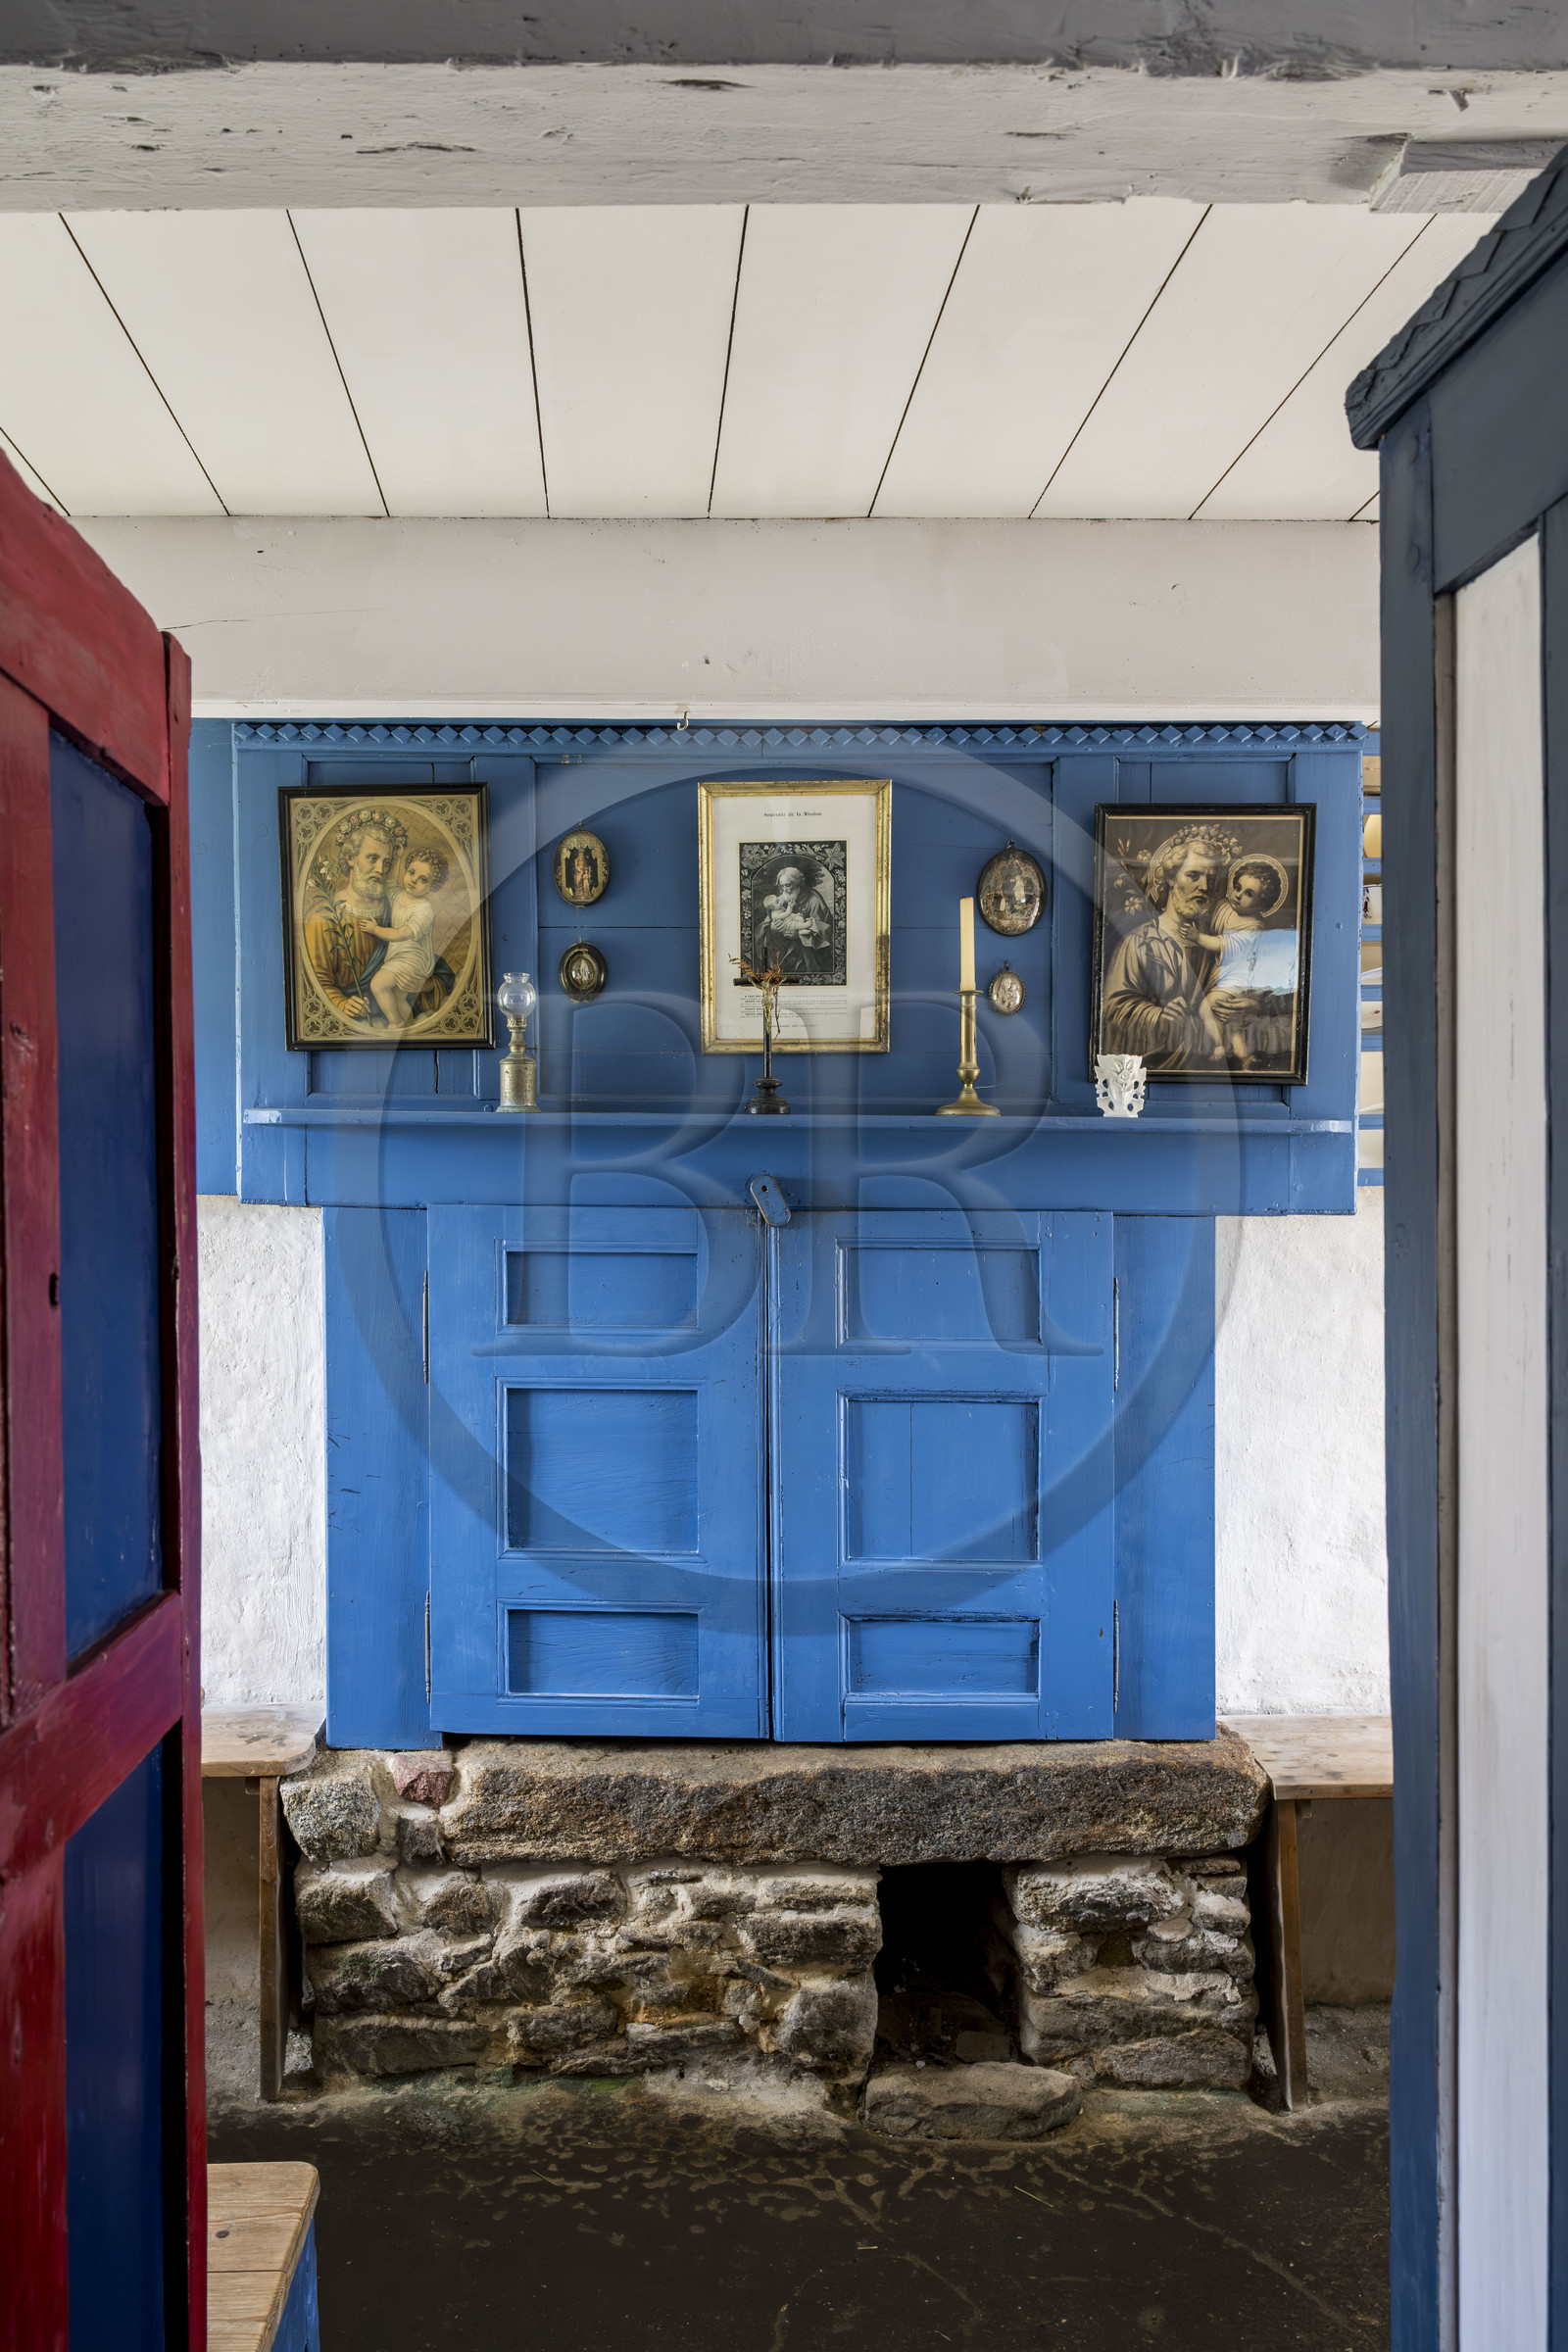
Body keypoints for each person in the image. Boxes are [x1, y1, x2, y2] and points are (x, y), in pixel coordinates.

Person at [300, 809, 453, 1029]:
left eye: (387, 862)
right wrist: (341, 1003)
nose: (381, 869)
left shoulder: (396, 904)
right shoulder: (321, 916)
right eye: (373, 859)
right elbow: (314, 984)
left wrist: (425, 984)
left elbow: (429, 961)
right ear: (350, 858)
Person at [1101, 829, 1231, 1069]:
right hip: (1157, 1062)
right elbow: (1113, 1008)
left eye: (1210, 880)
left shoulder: (1213, 946)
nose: (1203, 886)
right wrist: (1159, 1016)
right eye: (1193, 875)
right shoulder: (1137, 942)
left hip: (1208, 1066)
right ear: (1171, 878)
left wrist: (1242, 1005)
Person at [1191, 857, 1283, 1064]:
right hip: (1223, 974)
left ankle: (1219, 1044)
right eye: (1237, 888)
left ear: (1262, 904)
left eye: (1249, 894)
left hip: (1236, 981)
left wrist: (1197, 937)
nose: (1239, 895)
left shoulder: (1254, 927)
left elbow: (1222, 944)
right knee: (1230, 1023)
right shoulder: (1225, 906)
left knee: (1206, 1008)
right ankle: (1245, 1058)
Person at [363, 848, 447, 1029]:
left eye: (423, 880)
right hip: (401, 956)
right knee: (397, 996)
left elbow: (401, 934)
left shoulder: (424, 910)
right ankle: (407, 1028)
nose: (414, 880)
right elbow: (391, 881)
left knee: (378, 984)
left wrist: (375, 929)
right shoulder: (398, 895)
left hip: (413, 959)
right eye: (411, 872)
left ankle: (395, 1022)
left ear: (431, 887)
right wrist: (399, 858)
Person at [755, 861, 832, 982]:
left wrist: (799, 935)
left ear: (797, 883)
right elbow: (765, 927)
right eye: (782, 886)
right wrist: (773, 928)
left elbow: (824, 928)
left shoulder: (813, 899)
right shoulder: (779, 900)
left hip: (807, 953)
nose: (785, 889)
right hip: (785, 951)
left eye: (788, 885)